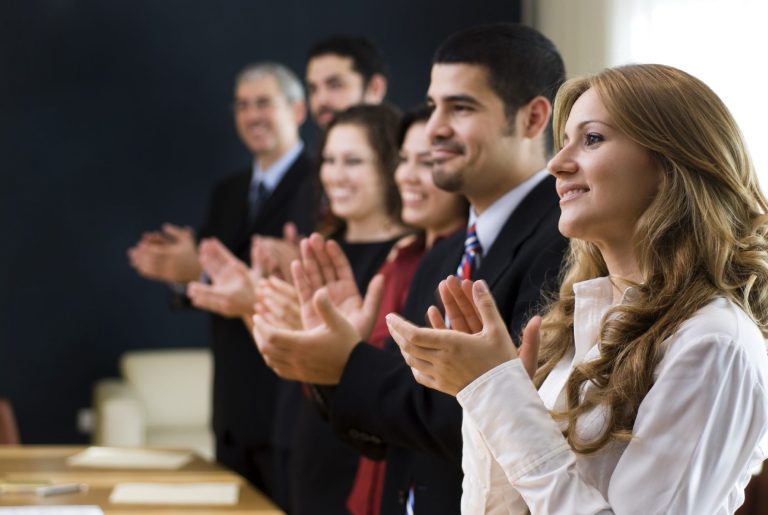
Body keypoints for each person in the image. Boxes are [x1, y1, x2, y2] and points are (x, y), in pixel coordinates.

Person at [391, 63, 768, 514]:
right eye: (565, 139)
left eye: (591, 139)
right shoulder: (578, 324)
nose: (556, 162)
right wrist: (485, 397)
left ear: (670, 164)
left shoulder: (714, 342)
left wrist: (500, 395)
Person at [252, 23, 568, 514]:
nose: (435, 126)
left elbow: (494, 423)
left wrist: (348, 362)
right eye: (434, 104)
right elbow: (394, 435)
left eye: (460, 107)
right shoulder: (443, 256)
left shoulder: (567, 245)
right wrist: (331, 364)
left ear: (532, 118)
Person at [127, 62, 316, 499]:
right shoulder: (228, 192)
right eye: (243, 105)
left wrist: (200, 269)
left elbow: (298, 284)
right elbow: (213, 283)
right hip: (233, 403)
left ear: (298, 110)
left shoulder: (323, 184)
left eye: (264, 103)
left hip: (288, 401)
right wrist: (181, 273)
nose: (253, 115)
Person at [305, 35, 388, 129]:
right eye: (313, 89)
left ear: (375, 88)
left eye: (335, 86)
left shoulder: (405, 142)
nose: (321, 99)